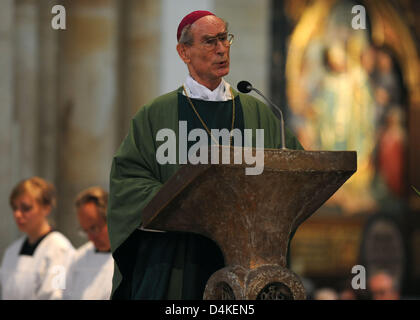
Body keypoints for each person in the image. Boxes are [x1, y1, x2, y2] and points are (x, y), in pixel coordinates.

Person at [108, 10, 303, 300]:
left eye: (224, 38)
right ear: (184, 52)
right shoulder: (156, 115)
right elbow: (128, 182)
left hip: (246, 259)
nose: (222, 49)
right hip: (178, 257)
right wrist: (187, 202)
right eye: (210, 41)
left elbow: (294, 171)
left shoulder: (258, 112)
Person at [0, 177, 75, 300]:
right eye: (15, 208)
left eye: (26, 208)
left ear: (46, 208)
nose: (17, 214)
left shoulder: (59, 249)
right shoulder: (12, 251)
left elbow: (57, 295)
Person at [63, 187, 114, 300]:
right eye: (85, 230)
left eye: (94, 228)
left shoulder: (130, 258)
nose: (90, 238)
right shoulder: (77, 258)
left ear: (111, 219)